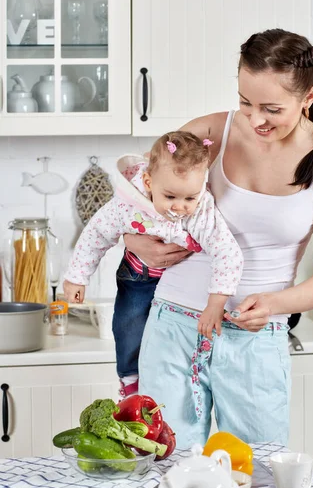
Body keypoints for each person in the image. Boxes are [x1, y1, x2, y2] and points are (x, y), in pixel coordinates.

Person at [124, 28, 313, 448]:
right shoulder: (210, 134)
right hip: (175, 328)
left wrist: (272, 304)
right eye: (245, 102)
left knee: (256, 473)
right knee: (164, 468)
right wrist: (134, 241)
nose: (255, 119)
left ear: (308, 98)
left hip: (255, 337)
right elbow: (132, 200)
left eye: (272, 108)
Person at [63, 131, 243, 397]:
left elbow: (227, 252)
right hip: (138, 276)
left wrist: (216, 303)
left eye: (189, 198)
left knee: (171, 343)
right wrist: (76, 277)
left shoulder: (202, 210)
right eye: (170, 197)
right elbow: (97, 233)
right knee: (128, 325)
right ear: (148, 182)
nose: (180, 207)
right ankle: (130, 379)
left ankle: (170, 385)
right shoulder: (126, 205)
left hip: (178, 286)